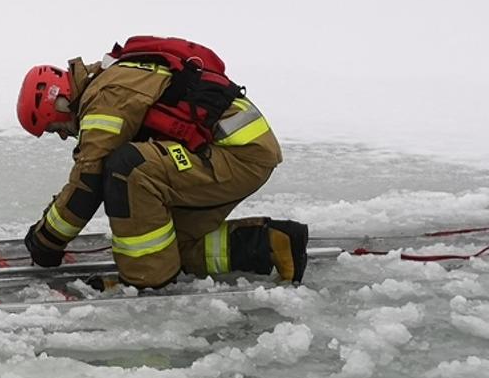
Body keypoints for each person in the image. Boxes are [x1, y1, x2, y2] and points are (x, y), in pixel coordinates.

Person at [16, 36, 309, 288]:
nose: (64, 136)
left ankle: (145, 282)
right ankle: (272, 242)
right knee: (165, 248)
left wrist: (46, 241)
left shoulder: (106, 94)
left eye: (55, 128)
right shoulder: (113, 80)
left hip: (237, 155)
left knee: (127, 168)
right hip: (229, 152)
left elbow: (88, 181)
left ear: (60, 102)